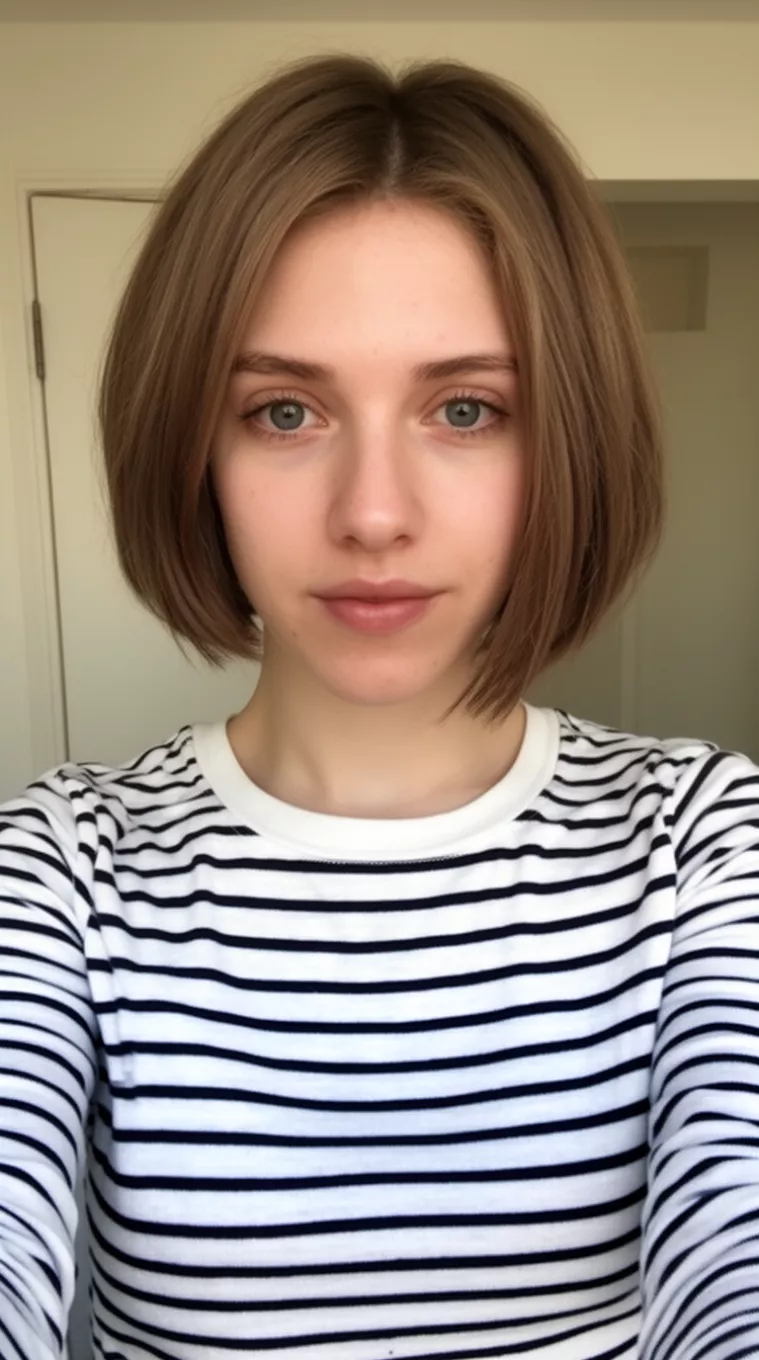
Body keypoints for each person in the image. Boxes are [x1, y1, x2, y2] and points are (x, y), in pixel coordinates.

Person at [1, 49, 758, 1360]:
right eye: (283, 411)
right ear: (191, 448)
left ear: (569, 437)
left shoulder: (704, 842)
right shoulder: (58, 875)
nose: (372, 515)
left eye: (465, 409)